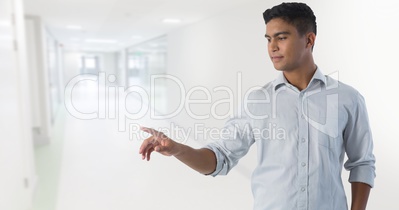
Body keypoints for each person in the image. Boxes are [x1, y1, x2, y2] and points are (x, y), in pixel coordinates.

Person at [139, 2, 375, 210]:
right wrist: (177, 149)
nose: (272, 47)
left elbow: (362, 164)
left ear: (309, 40)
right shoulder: (257, 101)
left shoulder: (348, 99)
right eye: (268, 39)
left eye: (281, 37)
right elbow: (220, 158)